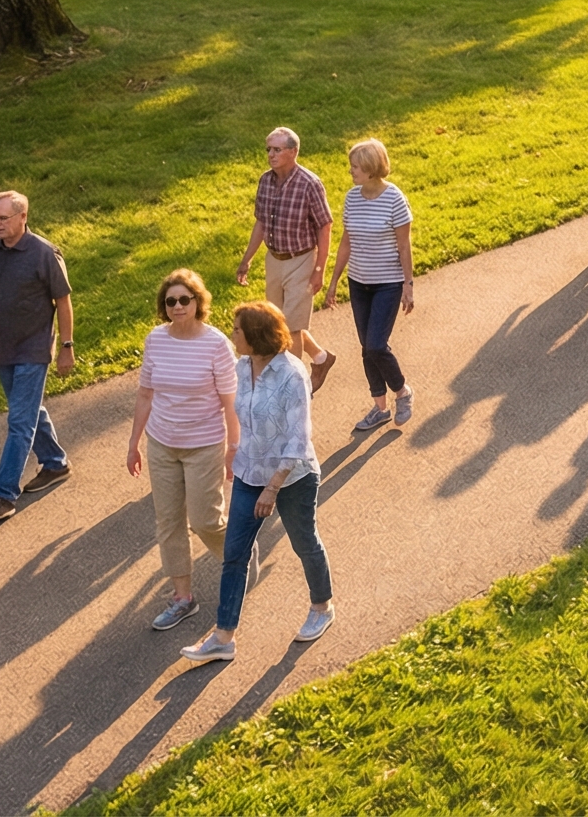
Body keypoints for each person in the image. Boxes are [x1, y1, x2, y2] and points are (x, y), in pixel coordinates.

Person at [178, 306, 334, 666]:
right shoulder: (241, 368)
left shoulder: (292, 374)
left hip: (292, 477)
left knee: (304, 542)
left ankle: (322, 607)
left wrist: (272, 488)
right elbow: (231, 414)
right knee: (234, 553)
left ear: (256, 334)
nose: (233, 335)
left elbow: (298, 439)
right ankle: (223, 637)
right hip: (250, 473)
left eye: (237, 330)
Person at [0, 189, 76, 522]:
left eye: (3, 218)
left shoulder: (44, 253)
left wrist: (67, 346)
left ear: (22, 217)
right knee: (27, 410)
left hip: (34, 348)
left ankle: (3, 495)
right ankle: (55, 463)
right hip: (4, 348)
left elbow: (63, 302)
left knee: (19, 421)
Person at [128, 269, 237, 632]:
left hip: (204, 444)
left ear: (197, 303)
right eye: (170, 301)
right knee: (169, 521)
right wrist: (134, 443)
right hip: (161, 443)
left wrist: (234, 447)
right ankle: (182, 598)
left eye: (184, 300)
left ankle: (236, 560)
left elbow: (230, 402)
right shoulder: (156, 340)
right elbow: (146, 394)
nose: (177, 306)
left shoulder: (216, 344)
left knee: (205, 519)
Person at [322, 138, 419, 432]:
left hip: (387, 284)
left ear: (372, 168)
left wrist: (408, 285)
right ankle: (379, 408)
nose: (351, 171)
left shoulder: (395, 200)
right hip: (359, 283)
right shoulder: (352, 198)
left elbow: (404, 247)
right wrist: (334, 281)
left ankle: (402, 392)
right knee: (367, 347)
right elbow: (346, 242)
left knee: (376, 344)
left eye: (356, 166)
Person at [234, 127, 335, 389]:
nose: (271, 154)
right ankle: (321, 358)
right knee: (277, 322)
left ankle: (293, 386)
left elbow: (325, 226)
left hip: (301, 259)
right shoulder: (265, 181)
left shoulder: (309, 184)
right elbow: (261, 223)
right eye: (268, 149)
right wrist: (247, 260)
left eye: (277, 150)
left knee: (291, 327)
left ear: (293, 151)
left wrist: (319, 269)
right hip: (274, 258)